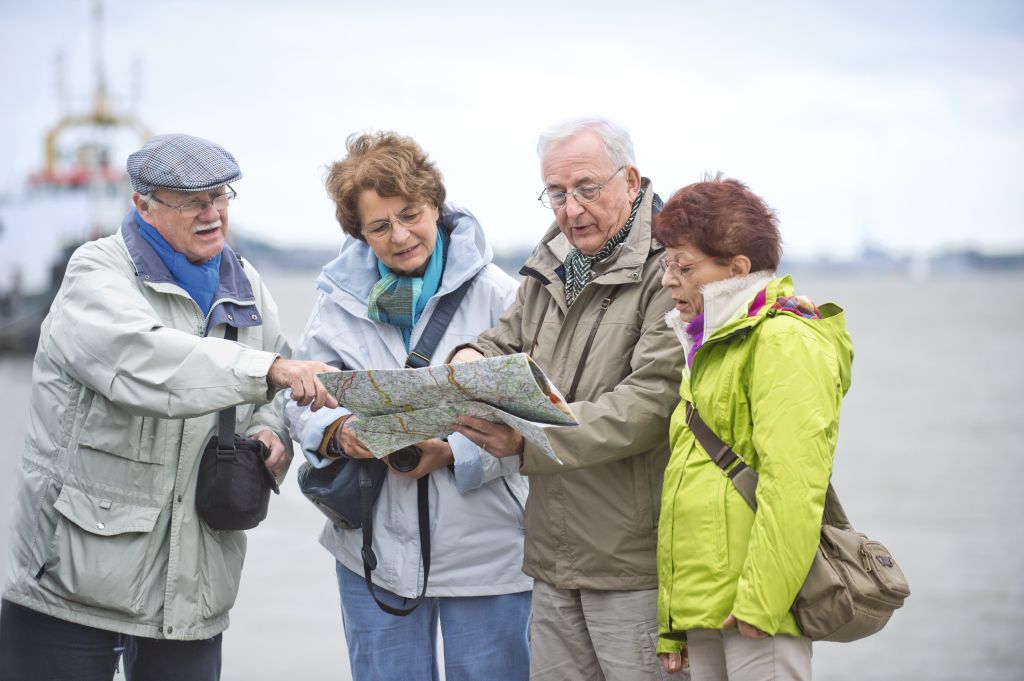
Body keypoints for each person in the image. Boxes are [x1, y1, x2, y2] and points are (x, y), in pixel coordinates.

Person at [0, 133, 338, 681]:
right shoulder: (95, 272)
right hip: (71, 579)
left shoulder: (247, 283)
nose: (212, 213)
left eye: (220, 196)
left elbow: (276, 386)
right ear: (143, 205)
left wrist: (272, 432)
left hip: (192, 588)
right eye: (191, 202)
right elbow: (148, 364)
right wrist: (270, 372)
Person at [285, 131, 531, 681]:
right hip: (373, 553)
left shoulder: (500, 295)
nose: (399, 236)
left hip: (487, 551)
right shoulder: (336, 303)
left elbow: (530, 417)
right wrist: (339, 432)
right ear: (359, 233)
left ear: (435, 205)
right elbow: (299, 398)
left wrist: (453, 452)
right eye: (379, 226)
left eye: (410, 214)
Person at [450, 116, 684, 681]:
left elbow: (651, 403)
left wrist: (526, 440)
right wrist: (467, 359)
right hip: (552, 556)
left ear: (631, 181)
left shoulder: (671, 265)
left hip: (635, 563)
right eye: (556, 193)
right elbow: (504, 341)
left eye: (587, 188)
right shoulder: (554, 256)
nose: (571, 208)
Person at [652, 176, 854, 680]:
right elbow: (686, 493)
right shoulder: (709, 343)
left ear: (737, 269)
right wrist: (673, 625)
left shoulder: (785, 339)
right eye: (666, 263)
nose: (668, 280)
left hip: (759, 614)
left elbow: (794, 485)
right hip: (707, 608)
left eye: (684, 266)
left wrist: (762, 604)